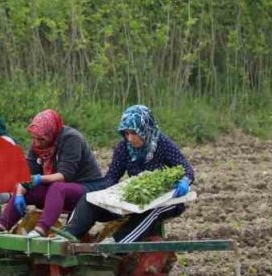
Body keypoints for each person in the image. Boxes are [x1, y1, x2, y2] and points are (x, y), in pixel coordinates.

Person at [52, 104, 195, 243]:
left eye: (134, 133)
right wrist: (102, 195)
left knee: (153, 211)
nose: (130, 138)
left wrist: (184, 181)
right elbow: (112, 177)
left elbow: (186, 169)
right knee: (88, 200)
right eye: (126, 133)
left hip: (168, 198)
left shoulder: (163, 144)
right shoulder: (124, 148)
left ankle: (116, 244)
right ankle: (67, 236)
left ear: (146, 130)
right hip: (138, 198)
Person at [0, 109, 102, 237]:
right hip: (58, 189)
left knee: (57, 187)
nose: (37, 143)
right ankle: (1, 227)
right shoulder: (37, 145)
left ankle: (41, 230)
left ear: (52, 134)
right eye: (34, 138)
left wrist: (38, 179)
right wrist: (19, 192)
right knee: (26, 189)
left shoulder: (71, 139)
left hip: (86, 188)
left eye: (41, 139)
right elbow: (27, 175)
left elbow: (64, 176)